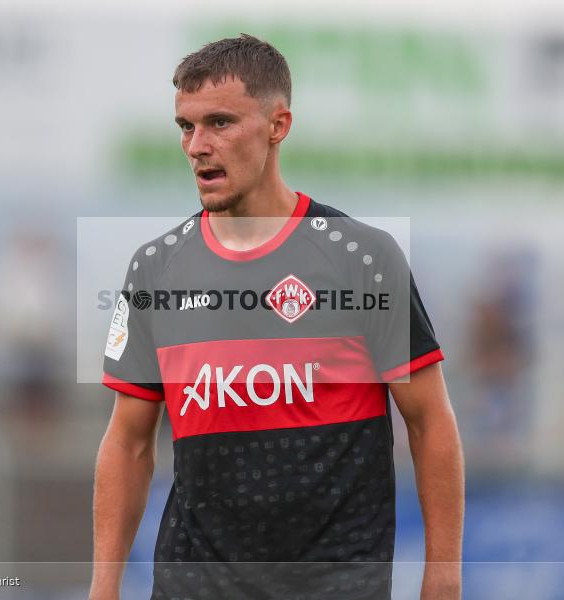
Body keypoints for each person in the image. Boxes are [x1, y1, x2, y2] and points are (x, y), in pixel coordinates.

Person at [90, 34, 464, 600]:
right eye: (185, 127)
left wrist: (443, 575)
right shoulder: (155, 269)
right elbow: (128, 441)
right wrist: (103, 586)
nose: (197, 145)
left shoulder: (361, 258)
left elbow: (430, 422)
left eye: (219, 122)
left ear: (278, 125)